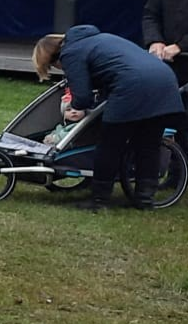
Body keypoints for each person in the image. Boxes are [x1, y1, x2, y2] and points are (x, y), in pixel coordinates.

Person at [35, 27, 186, 211]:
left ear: (54, 58)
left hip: (133, 86)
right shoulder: (100, 38)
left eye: (52, 67)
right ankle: (144, 199)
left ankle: (99, 201)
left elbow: (82, 97)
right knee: (148, 144)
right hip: (165, 81)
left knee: (109, 145)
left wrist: (73, 106)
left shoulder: (70, 52)